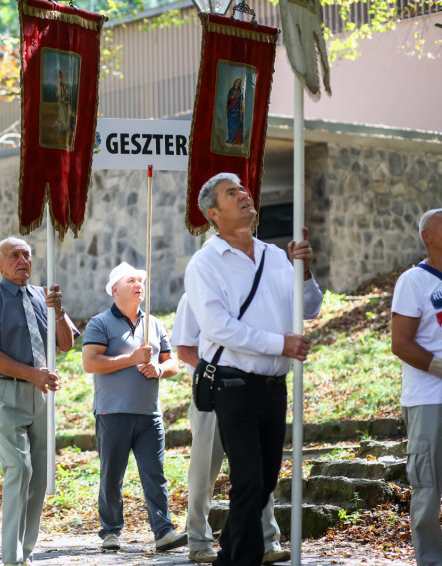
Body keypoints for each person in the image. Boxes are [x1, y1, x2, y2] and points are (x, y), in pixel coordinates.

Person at [184, 172, 322, 566]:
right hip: (233, 385)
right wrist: (280, 344)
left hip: (273, 387)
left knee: (263, 483)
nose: (245, 194)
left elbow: (309, 308)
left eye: (243, 189)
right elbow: (218, 327)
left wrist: (304, 271)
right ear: (214, 213)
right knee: (248, 479)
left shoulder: (275, 256)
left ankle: (229, 556)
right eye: (232, 193)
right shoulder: (205, 263)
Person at [0, 236, 78, 566]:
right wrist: (31, 374)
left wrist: (58, 312)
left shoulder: (44, 297)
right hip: (6, 393)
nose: (22, 260)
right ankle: (11, 556)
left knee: (40, 473)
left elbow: (66, 344)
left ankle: (25, 551)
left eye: (27, 255)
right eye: (14, 255)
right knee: (19, 467)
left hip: (41, 395)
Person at [174, 293, 290, 564]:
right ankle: (199, 541)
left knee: (257, 470)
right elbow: (184, 348)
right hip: (213, 395)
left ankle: (266, 540)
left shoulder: (252, 291)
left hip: (250, 394)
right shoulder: (195, 294)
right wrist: (218, 373)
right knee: (205, 470)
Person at [81, 262, 186, 553]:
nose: (139, 284)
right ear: (115, 289)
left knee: (155, 474)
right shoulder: (100, 323)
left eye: (141, 281)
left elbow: (172, 362)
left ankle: (164, 532)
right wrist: (132, 359)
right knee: (111, 475)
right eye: (131, 281)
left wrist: (159, 369)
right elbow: (90, 362)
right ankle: (111, 532)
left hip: (149, 414)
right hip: (112, 412)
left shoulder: (154, 323)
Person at [390, 207, 442, 566]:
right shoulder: (413, 281)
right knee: (427, 487)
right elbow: (401, 344)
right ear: (426, 236)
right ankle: (432, 561)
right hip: (430, 402)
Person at [226, 78, 243, 145]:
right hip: (231, 110)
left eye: (239, 82)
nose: (238, 83)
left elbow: (241, 101)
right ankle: (230, 139)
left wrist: (241, 108)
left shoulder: (240, 92)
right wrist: (232, 97)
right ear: (235, 82)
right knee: (230, 126)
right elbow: (228, 100)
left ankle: (235, 140)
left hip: (237, 111)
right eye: (237, 82)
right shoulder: (231, 90)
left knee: (236, 126)